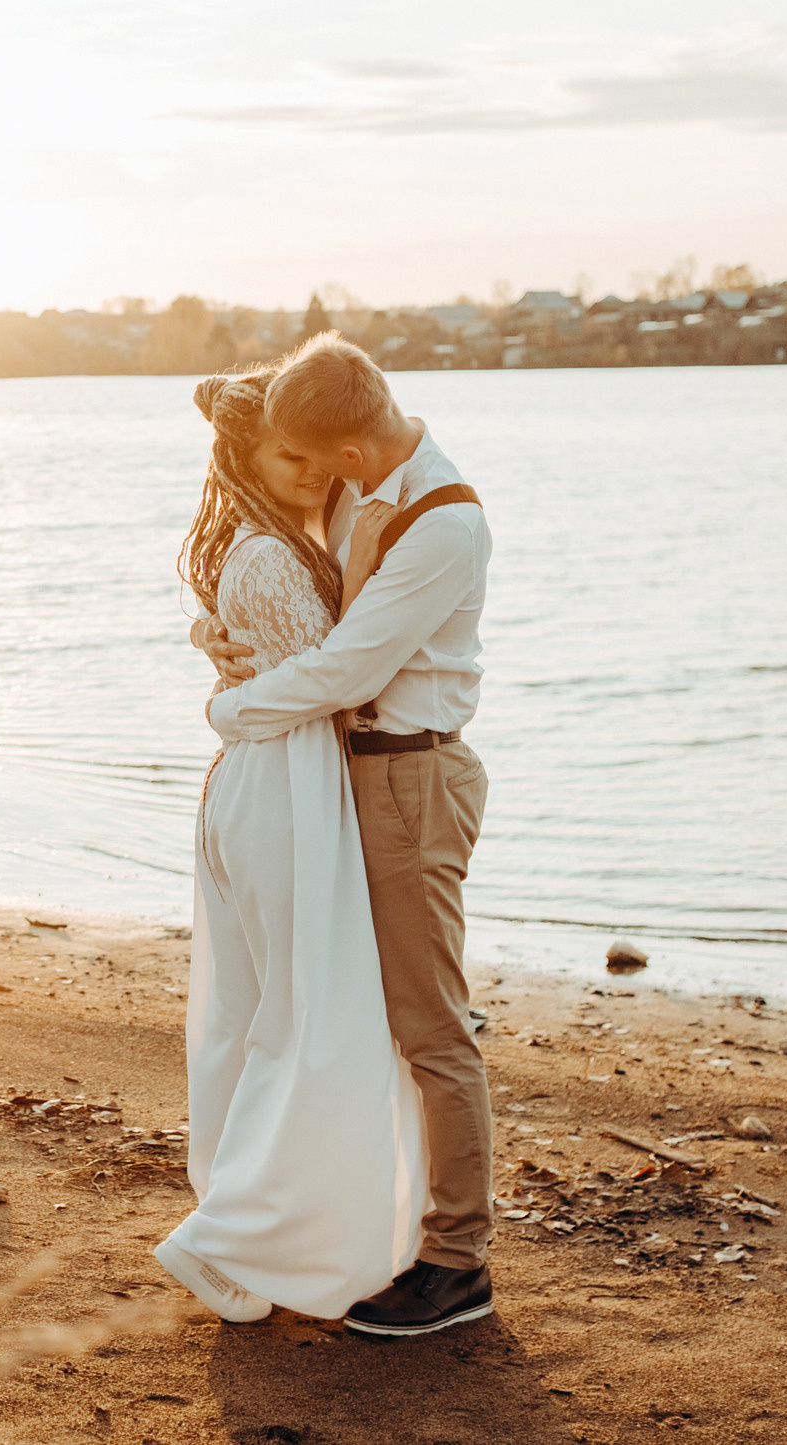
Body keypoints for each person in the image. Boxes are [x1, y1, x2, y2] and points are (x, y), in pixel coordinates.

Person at [194, 330, 496, 1338]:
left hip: (407, 774)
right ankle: (364, 1217)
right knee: (353, 1013)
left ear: (353, 456)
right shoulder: (356, 477)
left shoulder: (440, 523)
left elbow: (347, 668)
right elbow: (272, 544)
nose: (311, 479)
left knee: (428, 1026)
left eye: (323, 463)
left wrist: (230, 710)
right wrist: (213, 627)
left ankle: (457, 1262)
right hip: (342, 776)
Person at [150, 368, 428, 1326]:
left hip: (274, 780)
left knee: (260, 1014)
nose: (311, 470)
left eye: (318, 451)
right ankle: (223, 1237)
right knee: (300, 1019)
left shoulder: (280, 544)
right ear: (245, 458)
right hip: (282, 788)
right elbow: (340, 676)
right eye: (288, 455)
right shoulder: (270, 557)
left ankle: (239, 1236)